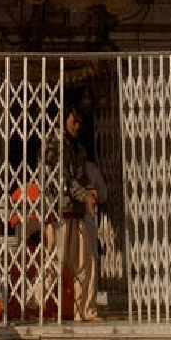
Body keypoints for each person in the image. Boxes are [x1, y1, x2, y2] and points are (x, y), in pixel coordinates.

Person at [55, 109, 108, 321]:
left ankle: (85, 309)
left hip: (76, 212)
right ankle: (37, 305)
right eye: (73, 121)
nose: (77, 126)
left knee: (86, 262)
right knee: (54, 263)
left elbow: (80, 179)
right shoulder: (54, 147)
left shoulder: (79, 149)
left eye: (79, 122)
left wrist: (89, 192)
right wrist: (84, 194)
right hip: (59, 212)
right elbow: (63, 180)